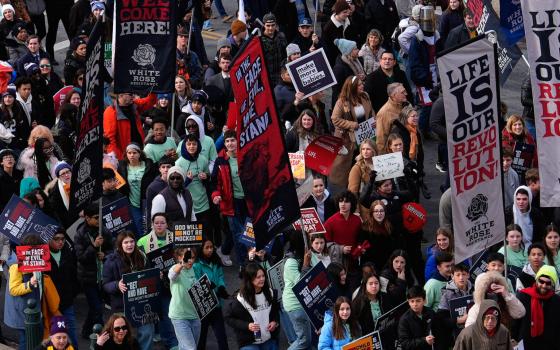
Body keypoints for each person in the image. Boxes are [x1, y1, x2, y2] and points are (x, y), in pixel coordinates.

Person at [4, 234, 61, 349]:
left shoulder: (34, 260)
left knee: (32, 339)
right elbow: (13, 289)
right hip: (22, 311)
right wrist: (30, 284)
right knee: (26, 341)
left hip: (31, 308)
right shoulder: (16, 264)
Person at [102, 232, 154, 350]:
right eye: (126, 242)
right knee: (122, 336)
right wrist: (117, 285)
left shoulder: (142, 256)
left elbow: (148, 274)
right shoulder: (111, 260)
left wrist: (155, 277)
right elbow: (105, 284)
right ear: (120, 245)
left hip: (142, 302)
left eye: (131, 241)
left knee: (148, 332)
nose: (129, 245)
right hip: (121, 305)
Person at [73, 202, 113, 339]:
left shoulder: (104, 231)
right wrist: (94, 247)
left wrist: (105, 255)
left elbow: (113, 250)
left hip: (102, 275)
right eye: (96, 217)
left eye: (100, 217)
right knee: (96, 307)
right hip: (87, 277)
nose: (98, 221)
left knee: (95, 307)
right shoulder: (80, 234)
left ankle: (85, 331)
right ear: (87, 218)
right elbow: (80, 257)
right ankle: (101, 335)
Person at [211, 130, 248, 268]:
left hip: (248, 202)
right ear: (224, 144)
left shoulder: (246, 156)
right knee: (238, 235)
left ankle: (225, 250)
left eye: (232, 140)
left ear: (238, 141)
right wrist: (216, 195)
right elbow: (214, 182)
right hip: (231, 204)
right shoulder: (220, 160)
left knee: (247, 232)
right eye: (227, 141)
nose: (230, 143)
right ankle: (243, 265)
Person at [329, 77, 374, 192]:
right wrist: (351, 124)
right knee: (346, 166)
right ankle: (345, 190)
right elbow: (335, 119)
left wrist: (374, 121)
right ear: (352, 87)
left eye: (362, 84)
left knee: (365, 161)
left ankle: (364, 186)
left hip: (364, 136)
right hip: (347, 140)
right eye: (359, 85)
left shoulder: (365, 96)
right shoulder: (342, 101)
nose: (362, 86)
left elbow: (371, 111)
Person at [224, 263, 280, 349]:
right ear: (250, 279)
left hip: (268, 339)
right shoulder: (240, 299)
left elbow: (276, 312)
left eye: (263, 276)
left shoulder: (271, 293)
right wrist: (247, 325)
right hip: (249, 342)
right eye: (258, 277)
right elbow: (228, 318)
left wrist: (275, 322)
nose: (262, 279)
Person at [193, 238, 229, 350]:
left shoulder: (216, 261)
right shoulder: (196, 265)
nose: (210, 250)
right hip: (204, 307)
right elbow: (196, 283)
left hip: (216, 304)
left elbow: (220, 276)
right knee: (202, 337)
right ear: (201, 249)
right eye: (207, 248)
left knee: (221, 335)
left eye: (211, 247)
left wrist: (222, 286)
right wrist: (210, 287)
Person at [512, 265, 560, 349]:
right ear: (537, 280)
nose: (544, 286)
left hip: (549, 344)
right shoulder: (523, 295)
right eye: (541, 281)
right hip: (526, 343)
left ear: (552, 284)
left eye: (548, 283)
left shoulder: (556, 300)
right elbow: (516, 320)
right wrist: (514, 339)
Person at [117, 143, 158, 235]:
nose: (132, 155)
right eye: (129, 153)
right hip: (132, 202)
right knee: (138, 224)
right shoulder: (122, 166)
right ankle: (141, 246)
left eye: (134, 153)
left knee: (148, 224)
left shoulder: (148, 165)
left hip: (146, 200)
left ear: (139, 154)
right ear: (126, 154)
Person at [104, 90, 156, 159]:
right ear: (120, 95)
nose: (133, 96)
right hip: (125, 155)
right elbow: (110, 141)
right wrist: (120, 159)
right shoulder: (111, 111)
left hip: (138, 150)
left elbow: (150, 101)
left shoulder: (134, 104)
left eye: (133, 93)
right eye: (130, 94)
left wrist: (154, 87)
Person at [283, 231, 313, 350]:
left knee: (308, 340)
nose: (310, 243)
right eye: (308, 240)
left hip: (305, 302)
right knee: (304, 341)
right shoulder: (291, 262)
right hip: (295, 305)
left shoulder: (303, 256)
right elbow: (300, 284)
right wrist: (306, 264)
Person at [168, 247, 201, 350]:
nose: (190, 260)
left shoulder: (196, 268)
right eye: (187, 258)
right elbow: (172, 276)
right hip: (179, 316)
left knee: (186, 347)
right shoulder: (175, 268)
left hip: (195, 315)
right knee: (190, 348)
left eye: (192, 257)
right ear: (179, 258)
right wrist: (182, 264)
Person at [436, 264, 472, 348]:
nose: (461, 278)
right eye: (458, 275)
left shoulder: (474, 289)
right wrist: (458, 320)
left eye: (463, 274)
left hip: (472, 332)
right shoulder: (447, 294)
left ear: (468, 275)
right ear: (452, 276)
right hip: (455, 336)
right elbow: (441, 319)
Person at [359, 200, 399, 271]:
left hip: (387, 265)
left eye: (381, 211)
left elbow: (395, 247)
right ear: (372, 213)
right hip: (371, 266)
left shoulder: (391, 227)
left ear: (385, 212)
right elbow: (364, 250)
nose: (379, 213)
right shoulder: (365, 228)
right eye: (376, 211)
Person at [398, 286, 435, 350]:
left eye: (418, 301)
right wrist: (424, 340)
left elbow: (439, 331)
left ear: (424, 301)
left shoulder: (431, 312)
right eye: (412, 301)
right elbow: (404, 343)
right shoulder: (404, 320)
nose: (415, 304)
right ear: (408, 302)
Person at [501, 115, 538, 180]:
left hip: (525, 171)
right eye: (515, 125)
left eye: (519, 124)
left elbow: (535, 156)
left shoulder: (528, 137)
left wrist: (534, 171)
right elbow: (505, 158)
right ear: (510, 126)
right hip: (509, 172)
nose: (518, 127)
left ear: (523, 125)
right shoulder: (505, 138)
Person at [375, 82, 408, 151]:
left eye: (405, 91)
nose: (406, 94)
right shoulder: (384, 113)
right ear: (394, 95)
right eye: (402, 92)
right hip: (398, 151)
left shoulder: (406, 104)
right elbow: (381, 139)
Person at [332, 39, 365, 105]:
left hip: (356, 98)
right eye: (355, 49)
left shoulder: (357, 60)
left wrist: (363, 77)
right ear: (348, 52)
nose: (358, 50)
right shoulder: (339, 68)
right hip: (345, 103)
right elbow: (337, 90)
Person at [260, 13, 287, 87]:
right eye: (268, 25)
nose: (271, 28)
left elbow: (285, 55)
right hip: (267, 78)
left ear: (276, 25)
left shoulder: (281, 36)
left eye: (273, 25)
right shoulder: (259, 41)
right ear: (264, 25)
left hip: (280, 76)